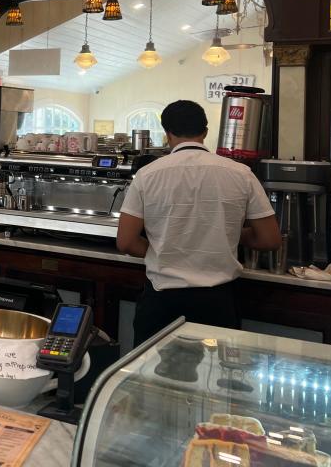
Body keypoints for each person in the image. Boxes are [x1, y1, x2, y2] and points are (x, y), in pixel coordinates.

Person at [117, 100, 281, 346]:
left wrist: (161, 251)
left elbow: (126, 242)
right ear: (205, 131)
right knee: (212, 380)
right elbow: (270, 239)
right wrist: (230, 234)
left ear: (167, 133)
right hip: (218, 302)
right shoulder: (241, 173)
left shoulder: (147, 174)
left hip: (162, 301)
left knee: (150, 379)